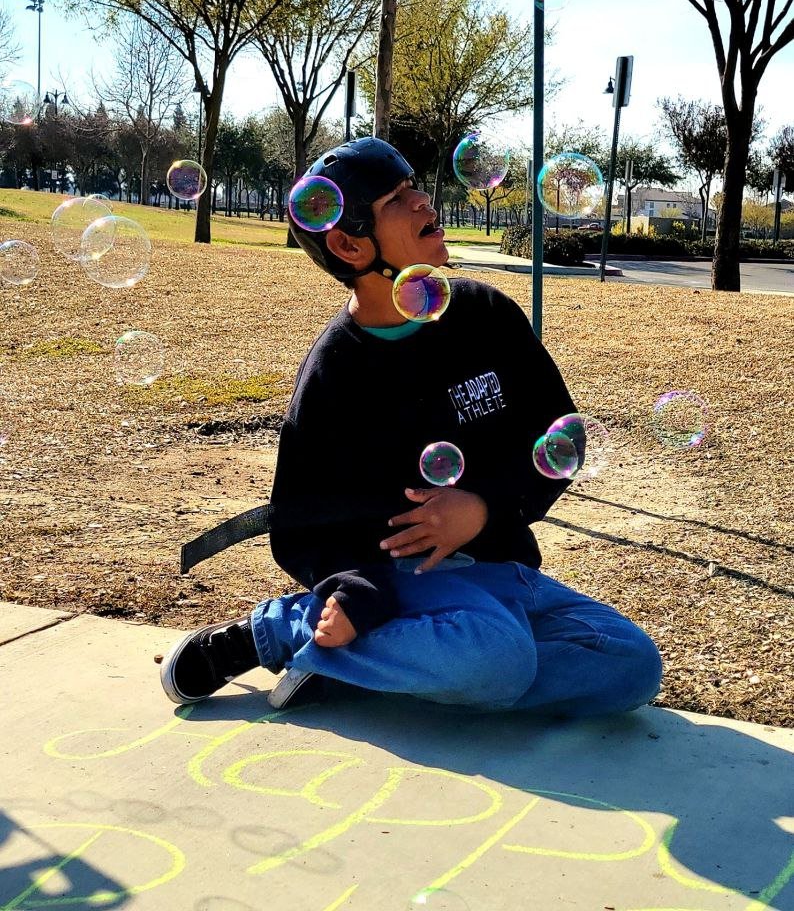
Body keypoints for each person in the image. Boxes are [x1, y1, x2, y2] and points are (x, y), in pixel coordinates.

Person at [160, 137, 662, 716]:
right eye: (397, 198)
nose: (425, 201)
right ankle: (282, 630)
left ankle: (366, 665)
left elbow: (561, 437)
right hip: (400, 584)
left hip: (502, 570)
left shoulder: (487, 315)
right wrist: (356, 591)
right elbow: (303, 521)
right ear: (350, 244)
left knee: (628, 667)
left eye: (415, 186)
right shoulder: (335, 374)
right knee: (500, 660)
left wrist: (484, 507)